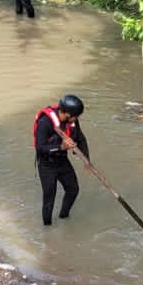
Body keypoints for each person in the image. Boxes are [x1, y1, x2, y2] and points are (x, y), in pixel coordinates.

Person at [33, 94, 88, 226]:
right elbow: (40, 148)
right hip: (46, 164)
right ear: (68, 114)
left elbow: (80, 138)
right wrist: (61, 146)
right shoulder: (44, 123)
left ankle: (64, 217)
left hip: (62, 161)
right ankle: (47, 228)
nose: (77, 119)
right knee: (49, 198)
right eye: (76, 116)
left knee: (73, 189)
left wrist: (87, 160)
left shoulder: (72, 121)